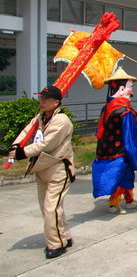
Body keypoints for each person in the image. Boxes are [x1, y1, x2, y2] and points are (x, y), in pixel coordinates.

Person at [8, 85, 75, 259]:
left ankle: (56, 244)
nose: (42, 102)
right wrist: (17, 145)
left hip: (58, 169)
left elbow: (46, 144)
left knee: (51, 208)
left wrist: (22, 153)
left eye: (46, 99)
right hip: (42, 168)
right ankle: (64, 236)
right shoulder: (41, 117)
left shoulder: (61, 121)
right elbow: (26, 131)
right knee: (48, 208)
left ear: (56, 102)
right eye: (41, 98)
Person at [92, 68, 137, 214]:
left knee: (126, 175)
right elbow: (130, 135)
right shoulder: (124, 111)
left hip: (107, 148)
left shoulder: (106, 108)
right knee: (120, 175)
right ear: (122, 88)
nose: (132, 91)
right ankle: (114, 203)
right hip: (120, 150)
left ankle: (129, 199)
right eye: (131, 88)